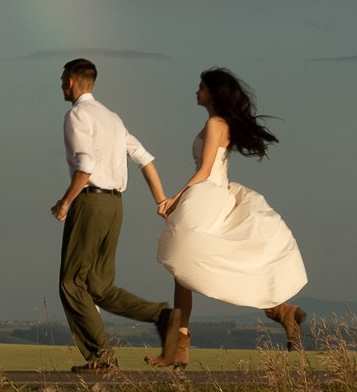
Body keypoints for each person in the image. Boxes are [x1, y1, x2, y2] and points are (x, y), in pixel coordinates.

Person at [150, 67, 308, 369]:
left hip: (207, 194)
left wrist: (176, 197)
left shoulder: (214, 123)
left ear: (213, 93)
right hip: (214, 192)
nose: (196, 92)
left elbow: (205, 170)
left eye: (201, 88)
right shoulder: (219, 123)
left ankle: (180, 346)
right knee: (184, 269)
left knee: (184, 261)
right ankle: (280, 311)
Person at [50, 58, 175, 372]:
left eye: (63, 79)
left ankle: (102, 358)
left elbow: (85, 166)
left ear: (73, 82)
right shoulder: (112, 118)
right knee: (100, 287)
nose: (61, 84)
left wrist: (65, 202)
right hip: (115, 206)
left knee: (71, 283)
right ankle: (161, 315)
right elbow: (143, 158)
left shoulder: (77, 115)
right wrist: (161, 200)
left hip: (90, 202)